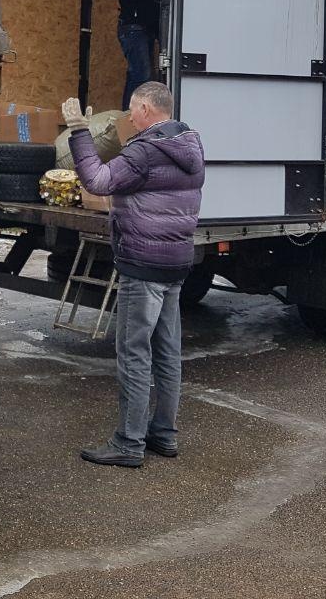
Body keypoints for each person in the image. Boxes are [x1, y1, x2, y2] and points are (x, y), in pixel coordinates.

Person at [61, 81, 204, 467]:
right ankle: (164, 434)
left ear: (146, 109)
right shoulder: (190, 144)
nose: (128, 116)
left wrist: (79, 132)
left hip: (143, 265)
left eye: (131, 108)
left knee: (134, 353)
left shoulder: (145, 151)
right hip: (175, 262)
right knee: (168, 352)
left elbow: (98, 181)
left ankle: (128, 443)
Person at [112, 0, 165, 109]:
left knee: (145, 75)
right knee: (141, 74)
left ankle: (133, 116)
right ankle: (129, 117)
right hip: (133, 26)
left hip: (148, 28)